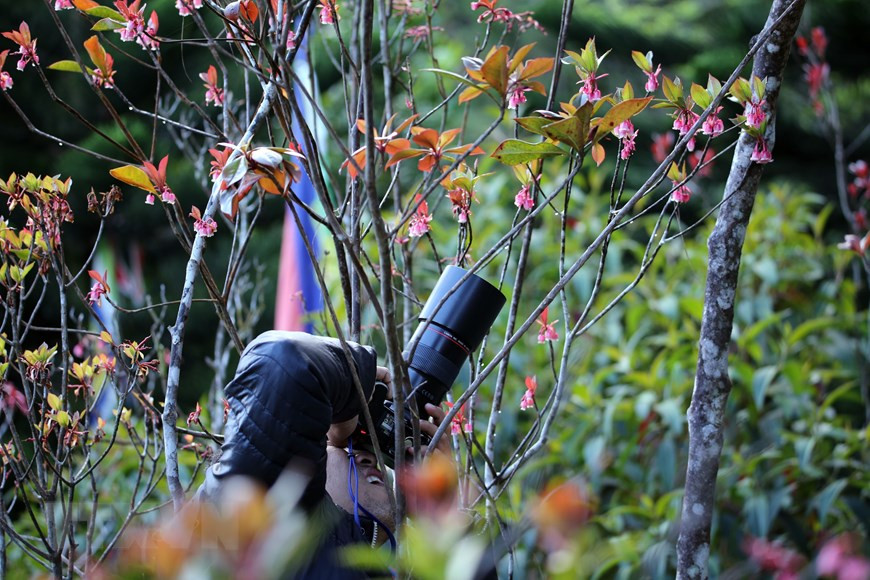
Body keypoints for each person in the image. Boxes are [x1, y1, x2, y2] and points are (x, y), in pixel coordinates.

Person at [195, 330, 449, 578]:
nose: (369, 458)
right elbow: (283, 359)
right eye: (348, 448)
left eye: (381, 456)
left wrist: (443, 510)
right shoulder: (260, 515)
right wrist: (355, 382)